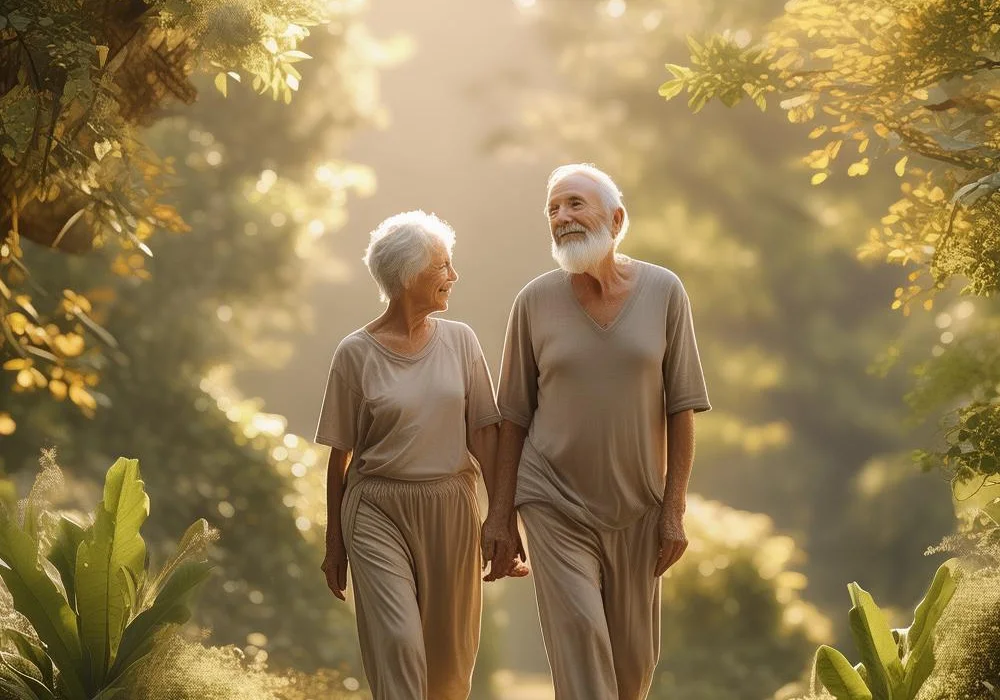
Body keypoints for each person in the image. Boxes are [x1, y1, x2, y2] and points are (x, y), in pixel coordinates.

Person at [481, 164, 712, 699]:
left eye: (574, 204)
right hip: (553, 501)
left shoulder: (664, 291)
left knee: (633, 669)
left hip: (639, 506)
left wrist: (673, 509)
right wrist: (500, 513)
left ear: (616, 218)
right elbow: (512, 418)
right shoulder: (534, 302)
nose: (561, 217)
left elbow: (682, 408)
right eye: (553, 210)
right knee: (582, 637)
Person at [315, 210, 526, 700]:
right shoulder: (354, 353)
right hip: (376, 511)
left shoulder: (461, 341)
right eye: (443, 266)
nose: (453, 277)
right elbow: (339, 457)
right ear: (410, 275)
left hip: (451, 506)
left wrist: (501, 519)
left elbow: (486, 438)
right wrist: (334, 542)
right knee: (399, 644)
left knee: (450, 668)